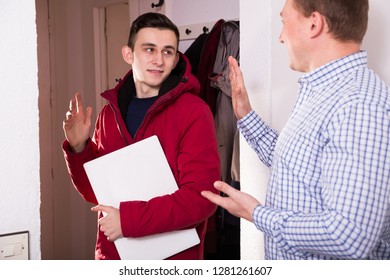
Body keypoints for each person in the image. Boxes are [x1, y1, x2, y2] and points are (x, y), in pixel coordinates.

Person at [202, 0, 390, 260]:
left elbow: (348, 235)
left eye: (284, 21)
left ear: (314, 23)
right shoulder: (326, 92)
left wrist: (257, 214)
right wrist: (245, 115)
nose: (280, 37)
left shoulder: (358, 103)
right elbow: (299, 166)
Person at [62, 12, 221, 260]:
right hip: (113, 256)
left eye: (168, 51)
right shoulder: (108, 114)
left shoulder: (194, 112)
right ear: (128, 54)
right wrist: (79, 146)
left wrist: (127, 220)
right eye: (149, 49)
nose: (159, 60)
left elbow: (202, 199)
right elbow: (97, 194)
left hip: (173, 259)